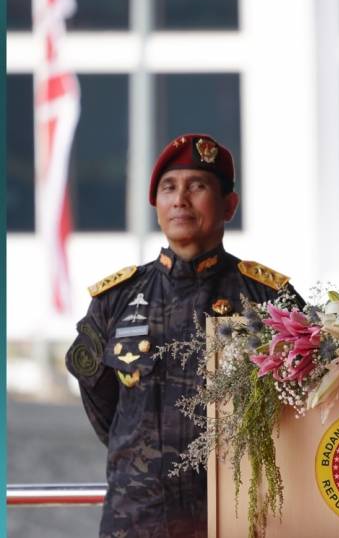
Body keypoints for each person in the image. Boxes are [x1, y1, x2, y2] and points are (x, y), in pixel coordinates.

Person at [66, 134, 299, 537]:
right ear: (155, 204)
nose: (181, 200)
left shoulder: (269, 300)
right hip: (137, 518)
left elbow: (301, 408)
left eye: (198, 186)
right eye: (169, 188)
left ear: (229, 204)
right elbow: (105, 408)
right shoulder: (116, 300)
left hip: (239, 518)